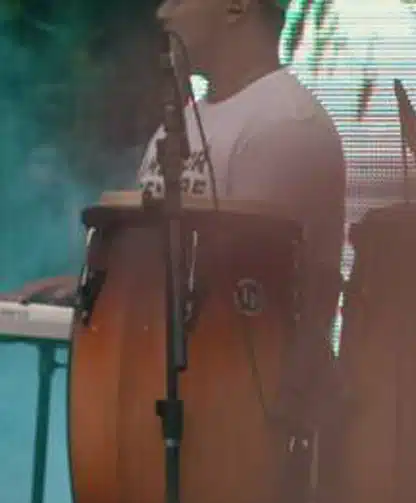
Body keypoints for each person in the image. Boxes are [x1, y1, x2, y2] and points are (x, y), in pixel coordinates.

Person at [3, 0, 346, 388]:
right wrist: (87, 291)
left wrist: (115, 299)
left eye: (179, 0)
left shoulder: (285, 125)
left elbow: (244, 304)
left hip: (234, 411)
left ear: (236, 7)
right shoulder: (183, 123)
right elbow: (160, 269)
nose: (162, 13)